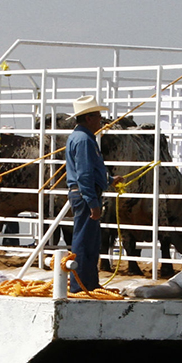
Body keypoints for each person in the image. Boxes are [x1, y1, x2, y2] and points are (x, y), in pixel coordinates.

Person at [65, 95, 115, 293]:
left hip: (83, 193)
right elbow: (85, 174)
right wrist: (93, 202)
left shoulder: (80, 138)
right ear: (89, 118)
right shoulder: (85, 140)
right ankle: (82, 283)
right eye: (98, 116)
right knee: (86, 241)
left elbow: (87, 171)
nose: (100, 120)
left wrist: (109, 180)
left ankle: (87, 282)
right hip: (86, 195)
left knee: (90, 240)